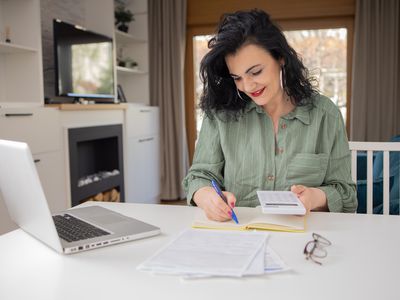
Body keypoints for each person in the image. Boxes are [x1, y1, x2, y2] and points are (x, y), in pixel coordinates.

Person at [182, 9, 357, 222]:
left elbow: (345, 193)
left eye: (255, 72)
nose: (247, 86)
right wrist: (207, 197)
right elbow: (199, 177)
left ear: (280, 58)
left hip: (305, 239)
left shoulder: (325, 114)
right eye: (237, 77)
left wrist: (313, 197)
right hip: (238, 235)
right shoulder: (220, 114)